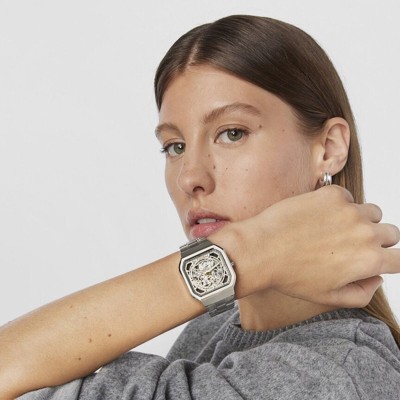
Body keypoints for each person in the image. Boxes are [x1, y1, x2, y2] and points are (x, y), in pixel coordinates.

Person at [1, 14, 400, 399]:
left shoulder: (327, 376)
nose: (190, 177)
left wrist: (242, 257)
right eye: (175, 146)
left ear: (328, 149)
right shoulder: (212, 325)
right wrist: (244, 260)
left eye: (232, 133)